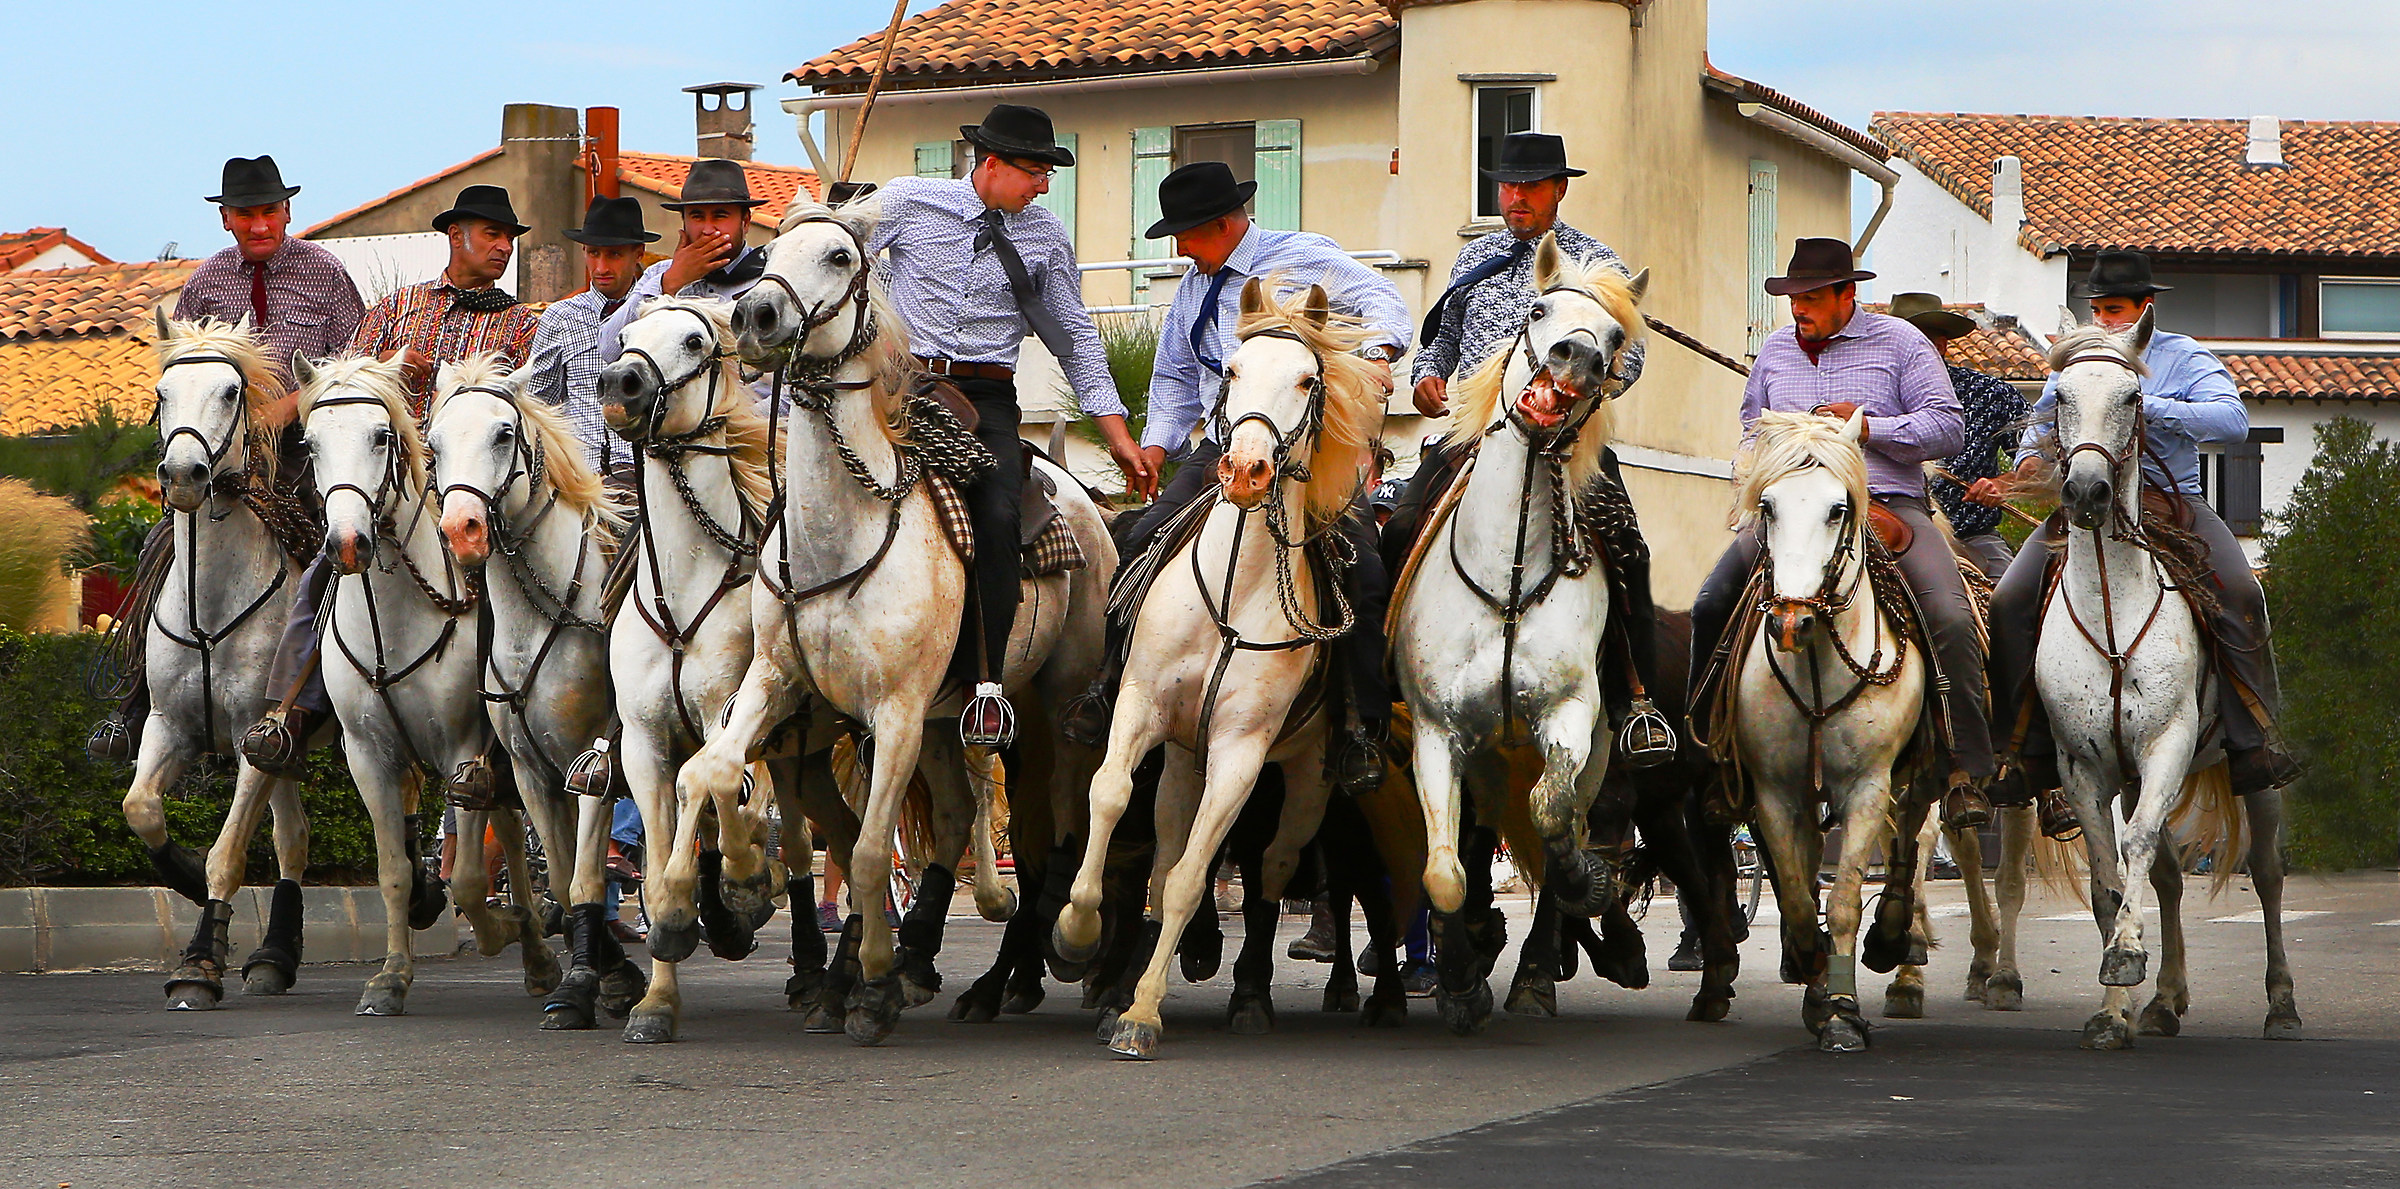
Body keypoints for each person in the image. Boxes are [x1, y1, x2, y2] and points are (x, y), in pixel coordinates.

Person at [1057, 161, 1412, 793]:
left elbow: (1384, 299)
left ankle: (1362, 725)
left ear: (1223, 224)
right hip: (1222, 444)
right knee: (1138, 538)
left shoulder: (1300, 256)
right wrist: (1159, 446)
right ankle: (1109, 682)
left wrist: (1379, 354)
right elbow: (1172, 377)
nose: (1178, 247)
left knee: (1362, 564)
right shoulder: (1193, 286)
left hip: (1306, 452)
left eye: (1186, 233)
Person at [861, 105, 1146, 747]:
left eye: (1047, 171)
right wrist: (833, 223)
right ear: (990, 164)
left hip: (986, 395)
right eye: (1036, 171)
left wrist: (1117, 432)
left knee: (995, 512)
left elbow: (1071, 334)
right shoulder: (907, 201)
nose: (1044, 184)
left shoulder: (1044, 234)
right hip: (898, 386)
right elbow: (839, 253)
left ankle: (984, 682)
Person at [1687, 238, 1993, 828]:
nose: (1798, 309)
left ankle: (1964, 769)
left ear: (1847, 294)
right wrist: (1754, 477)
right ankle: (1709, 756)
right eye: (1793, 298)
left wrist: (1870, 427)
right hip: (1791, 514)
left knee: (1952, 614)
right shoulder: (1774, 353)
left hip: (1890, 506)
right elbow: (1752, 431)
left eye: (1811, 298)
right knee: (1709, 603)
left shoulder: (1901, 344)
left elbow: (1948, 428)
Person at [1978, 251, 2297, 818]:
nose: (2104, 321)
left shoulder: (2183, 356)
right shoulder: (2072, 363)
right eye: (2097, 309)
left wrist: (2143, 402)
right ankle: (2021, 750)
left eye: (2116, 309)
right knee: (2009, 600)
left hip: (2172, 503)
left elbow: (2232, 421)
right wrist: (2026, 464)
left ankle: (2254, 742)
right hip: (2084, 504)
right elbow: (2043, 425)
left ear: (2145, 310)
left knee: (2242, 595)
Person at [240, 185, 539, 774]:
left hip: (470, 485)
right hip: (389, 483)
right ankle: (292, 710)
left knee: (507, 582)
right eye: (493, 234)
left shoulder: (524, 325)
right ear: (456, 237)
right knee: (326, 571)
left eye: (508, 238)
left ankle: (504, 724)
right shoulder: (395, 311)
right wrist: (394, 369)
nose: (504, 247)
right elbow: (340, 387)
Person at [87, 155, 364, 765]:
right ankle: (138, 701)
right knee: (162, 547)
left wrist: (286, 409)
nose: (259, 223)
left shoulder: (327, 275)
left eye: (269, 211)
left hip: (302, 456)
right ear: (226, 219)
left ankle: (343, 698)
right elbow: (184, 372)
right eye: (245, 214)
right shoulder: (206, 283)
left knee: (341, 551)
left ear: (286, 212)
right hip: (220, 460)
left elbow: (350, 372)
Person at [1384, 130, 1662, 705]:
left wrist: (1581, 389)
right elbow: (1441, 341)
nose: (1516, 197)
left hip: (1568, 440)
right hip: (1471, 435)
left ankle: (1635, 697)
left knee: (1629, 549)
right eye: (1508, 185)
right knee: (1396, 531)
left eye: (1531, 186)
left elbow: (1629, 359)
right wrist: (1425, 379)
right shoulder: (1473, 259)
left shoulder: (1599, 264)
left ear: (1559, 189)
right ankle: (1379, 694)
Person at [596, 159, 778, 406]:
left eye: (720, 216)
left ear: (745, 222)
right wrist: (671, 283)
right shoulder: (659, 275)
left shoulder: (771, 280)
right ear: (684, 223)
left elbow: (790, 383)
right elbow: (609, 350)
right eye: (696, 216)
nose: (707, 229)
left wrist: (743, 428)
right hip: (673, 437)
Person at [1890, 292, 2027, 581]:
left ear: (1941, 345)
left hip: (1972, 539)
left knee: (2014, 605)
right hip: (1884, 537)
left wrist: (2003, 484)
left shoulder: (1991, 394)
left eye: (1926, 339)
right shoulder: (1868, 395)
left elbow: (2040, 456)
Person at [527, 196, 658, 475]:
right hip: (587, 484)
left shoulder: (659, 313)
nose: (601, 268)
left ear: (639, 254)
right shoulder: (560, 317)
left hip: (654, 477)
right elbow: (539, 409)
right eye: (593, 253)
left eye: (614, 254)